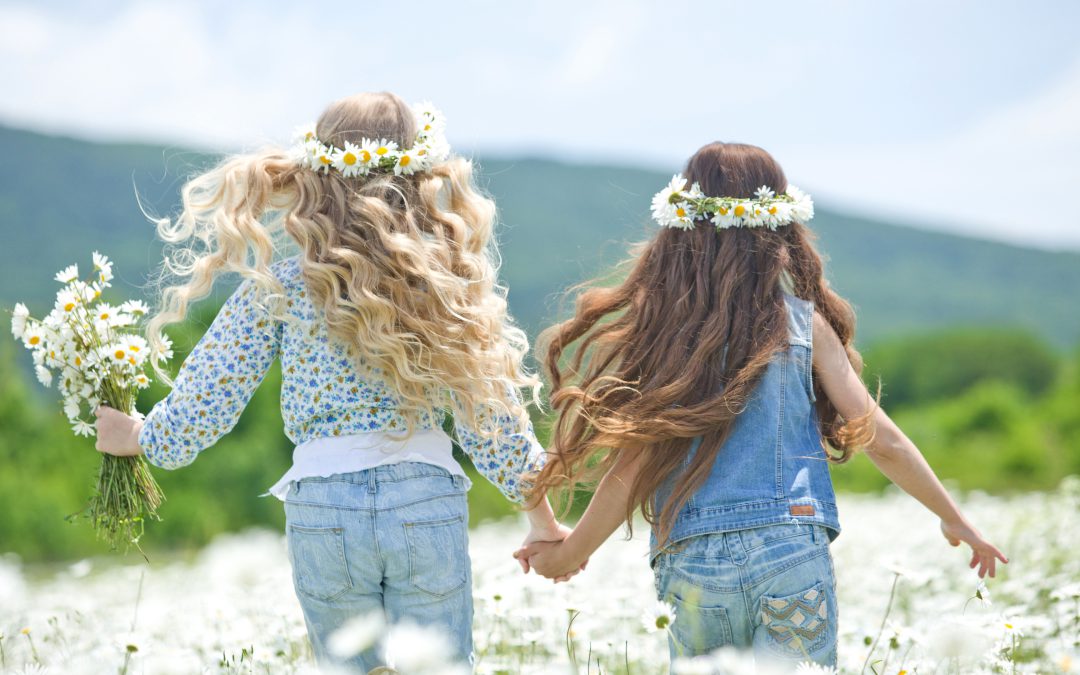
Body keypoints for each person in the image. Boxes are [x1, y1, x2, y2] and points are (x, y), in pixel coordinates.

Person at [93, 91, 570, 671]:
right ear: (419, 178)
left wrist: (142, 437)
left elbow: (208, 399)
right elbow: (488, 418)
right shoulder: (441, 285)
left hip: (324, 506)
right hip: (425, 498)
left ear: (316, 179)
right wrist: (543, 523)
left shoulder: (285, 285)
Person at [514, 142, 1009, 668]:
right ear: (778, 226)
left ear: (681, 226)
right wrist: (954, 518)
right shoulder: (803, 325)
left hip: (695, 556)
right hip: (790, 545)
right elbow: (880, 437)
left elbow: (632, 465)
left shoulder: (659, 331)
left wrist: (571, 553)